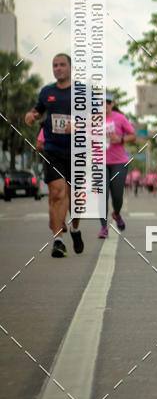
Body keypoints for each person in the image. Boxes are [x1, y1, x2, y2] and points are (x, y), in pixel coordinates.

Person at [24, 53, 84, 258]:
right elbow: (38, 110)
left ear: (70, 67)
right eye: (55, 65)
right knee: (58, 194)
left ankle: (75, 229)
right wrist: (31, 116)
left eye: (62, 65)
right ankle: (58, 241)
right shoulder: (46, 92)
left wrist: (76, 125)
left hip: (77, 153)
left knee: (75, 200)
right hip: (53, 151)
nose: (58, 68)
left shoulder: (81, 91)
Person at [98, 93, 136, 238]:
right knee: (102, 195)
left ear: (112, 104)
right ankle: (103, 227)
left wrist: (120, 139)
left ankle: (117, 213)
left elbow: (133, 136)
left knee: (117, 195)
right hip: (100, 162)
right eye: (102, 102)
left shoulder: (120, 118)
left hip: (119, 162)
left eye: (108, 102)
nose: (105, 105)